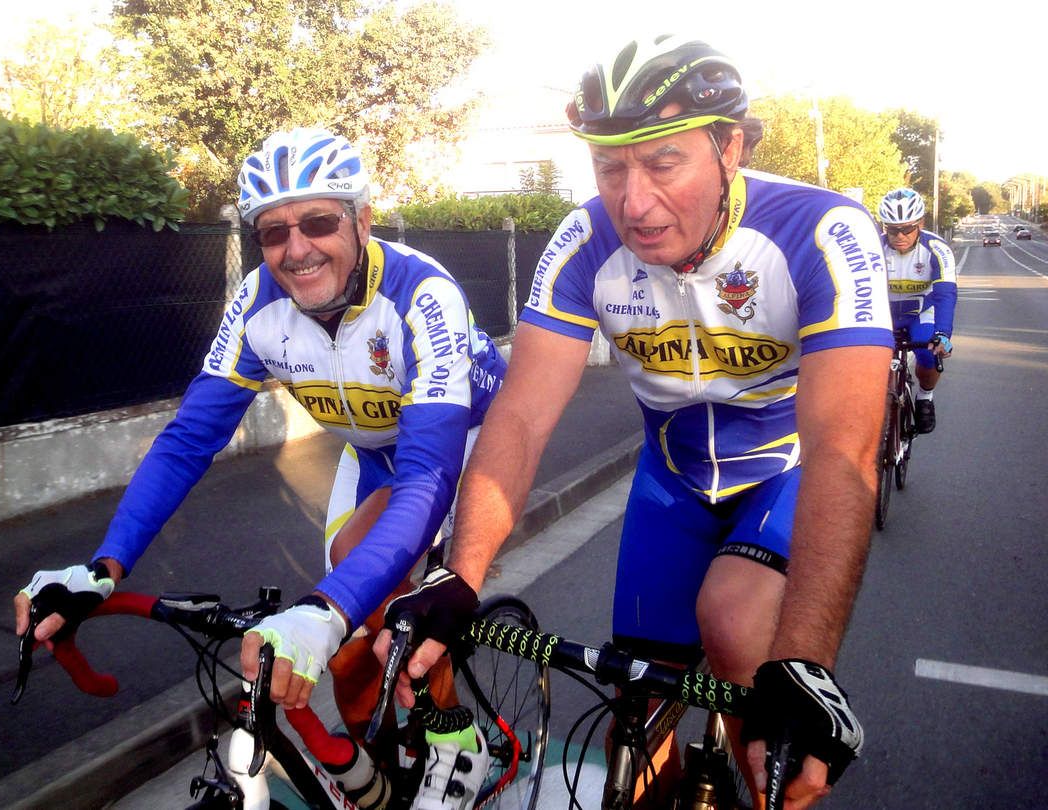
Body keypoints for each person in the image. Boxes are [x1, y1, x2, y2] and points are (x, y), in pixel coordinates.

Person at [378, 35, 892, 809]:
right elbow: (520, 417)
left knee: (737, 631)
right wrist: (461, 573)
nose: (634, 201)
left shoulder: (821, 231)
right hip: (673, 481)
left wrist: (805, 664)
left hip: (782, 473)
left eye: (663, 162)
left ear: (730, 147)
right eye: (609, 167)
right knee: (636, 718)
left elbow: (842, 452)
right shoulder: (585, 242)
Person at [13, 127, 505, 809]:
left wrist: (325, 610)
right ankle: (386, 769)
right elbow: (190, 438)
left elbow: (426, 477)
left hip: (461, 445)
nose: (296, 249)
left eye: (319, 222)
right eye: (274, 232)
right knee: (348, 654)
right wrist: (104, 567)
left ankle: (457, 743)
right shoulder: (257, 303)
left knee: (370, 590)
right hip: (371, 454)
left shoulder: (422, 293)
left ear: (362, 221)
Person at [877, 187, 957, 433]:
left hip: (921, 313)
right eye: (892, 230)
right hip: (883, 314)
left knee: (928, 352)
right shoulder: (873, 247)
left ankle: (925, 397)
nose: (899, 235)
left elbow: (945, 294)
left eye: (907, 229)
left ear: (920, 223)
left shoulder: (937, 249)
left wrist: (942, 334)